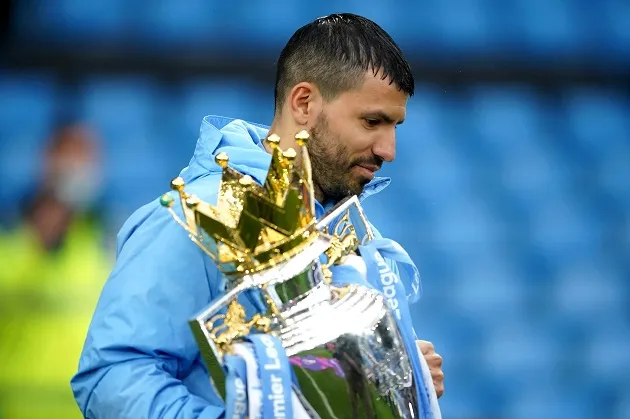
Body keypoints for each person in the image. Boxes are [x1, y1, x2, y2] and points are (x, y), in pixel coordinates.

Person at [71, 13, 444, 418]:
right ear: (304, 103)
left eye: (395, 126)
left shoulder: (352, 229)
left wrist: (401, 378)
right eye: (372, 121)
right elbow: (112, 380)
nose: (388, 149)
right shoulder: (196, 219)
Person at [0, 121, 110, 419]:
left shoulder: (102, 239)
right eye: (70, 155)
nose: (79, 167)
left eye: (88, 157)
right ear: (47, 160)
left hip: (82, 408)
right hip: (17, 407)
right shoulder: (11, 239)